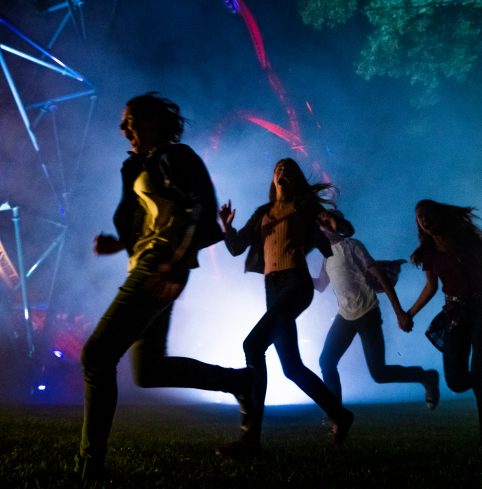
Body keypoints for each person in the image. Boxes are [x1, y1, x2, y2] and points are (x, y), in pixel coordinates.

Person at [77, 93, 250, 479]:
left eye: (131, 120)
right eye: (123, 123)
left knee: (97, 356)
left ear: (154, 121)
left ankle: (89, 469)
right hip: (148, 262)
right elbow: (159, 218)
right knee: (148, 370)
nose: (124, 128)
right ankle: (241, 380)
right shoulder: (142, 165)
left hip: (161, 263)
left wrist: (174, 262)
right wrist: (121, 243)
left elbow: (202, 209)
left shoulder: (176, 156)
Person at [216, 158, 355, 456]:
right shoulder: (263, 213)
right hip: (272, 289)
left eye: (289, 170)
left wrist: (335, 223)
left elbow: (332, 222)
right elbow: (236, 247)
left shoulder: (302, 206)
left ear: (295, 180)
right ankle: (340, 415)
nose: (282, 172)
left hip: (296, 284)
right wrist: (226, 227)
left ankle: (251, 437)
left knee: (253, 345)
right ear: (273, 178)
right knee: (291, 367)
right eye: (279, 168)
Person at [399, 200, 482, 447]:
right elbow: (431, 286)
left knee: (478, 372)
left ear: (438, 215)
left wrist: (463, 251)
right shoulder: (428, 251)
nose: (424, 220)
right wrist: (410, 313)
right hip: (455, 313)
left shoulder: (464, 237)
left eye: (427, 215)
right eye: (419, 217)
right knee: (456, 382)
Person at [313, 209, 440, 408]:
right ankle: (337, 415)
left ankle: (427, 377)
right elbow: (321, 284)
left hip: (367, 314)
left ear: (337, 224)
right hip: (345, 316)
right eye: (320, 222)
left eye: (326, 220)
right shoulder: (326, 254)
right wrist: (290, 275)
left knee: (379, 374)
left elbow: (380, 276)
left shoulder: (352, 246)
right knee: (326, 363)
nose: (322, 225)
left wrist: (399, 312)